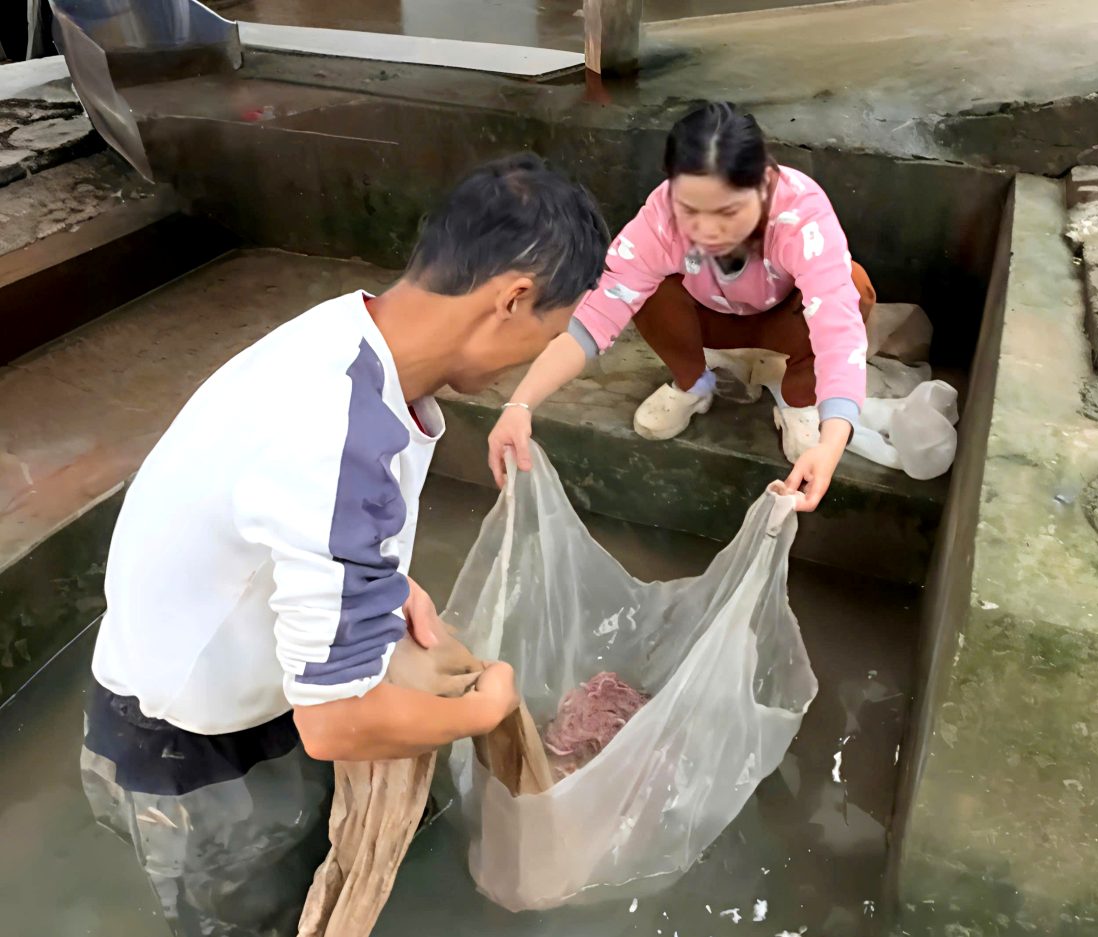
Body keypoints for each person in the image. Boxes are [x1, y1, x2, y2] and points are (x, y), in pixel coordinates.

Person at [79, 154, 610, 937]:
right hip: (189, 752)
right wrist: (487, 709)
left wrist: (388, 586)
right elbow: (333, 724)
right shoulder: (339, 439)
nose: (534, 356)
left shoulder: (351, 335)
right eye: (549, 332)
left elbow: (289, 523)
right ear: (512, 299)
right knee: (259, 917)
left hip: (206, 669)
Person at [488, 102, 875, 512]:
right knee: (639, 286)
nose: (707, 231)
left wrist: (832, 442)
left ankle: (797, 397)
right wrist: (520, 404)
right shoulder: (661, 218)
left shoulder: (801, 214)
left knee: (854, 286)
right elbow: (595, 316)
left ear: (765, 183)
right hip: (707, 318)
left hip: (783, 319)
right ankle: (693, 383)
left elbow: (837, 328)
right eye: (690, 210)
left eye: (728, 211)